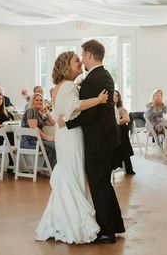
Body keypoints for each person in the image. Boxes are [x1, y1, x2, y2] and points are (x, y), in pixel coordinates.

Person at [36, 51, 109, 244]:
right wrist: (98, 100)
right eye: (76, 60)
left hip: (64, 135)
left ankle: (63, 219)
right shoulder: (68, 85)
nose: (80, 62)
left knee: (70, 175)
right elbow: (73, 106)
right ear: (66, 66)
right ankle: (75, 223)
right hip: (71, 137)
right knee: (74, 175)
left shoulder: (59, 87)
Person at [63, 40, 125, 244]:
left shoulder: (92, 80)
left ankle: (107, 232)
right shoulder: (105, 75)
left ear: (89, 54)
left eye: (82, 55)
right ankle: (115, 225)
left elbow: (89, 114)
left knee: (99, 185)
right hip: (107, 138)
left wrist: (68, 124)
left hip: (98, 141)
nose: (81, 59)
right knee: (104, 184)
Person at [21, 93, 57, 169]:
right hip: (29, 142)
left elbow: (52, 123)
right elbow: (34, 129)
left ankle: (47, 169)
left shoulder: (38, 113)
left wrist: (46, 112)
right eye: (37, 100)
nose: (39, 102)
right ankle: (50, 170)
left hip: (36, 141)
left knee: (55, 144)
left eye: (41, 100)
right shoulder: (31, 111)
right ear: (32, 101)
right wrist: (48, 138)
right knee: (54, 146)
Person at [113, 90, 135, 175]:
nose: (114, 97)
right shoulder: (108, 109)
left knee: (123, 144)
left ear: (119, 98)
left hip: (121, 132)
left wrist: (114, 122)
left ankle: (128, 168)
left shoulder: (121, 109)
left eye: (116, 96)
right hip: (114, 132)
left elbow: (127, 119)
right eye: (113, 95)